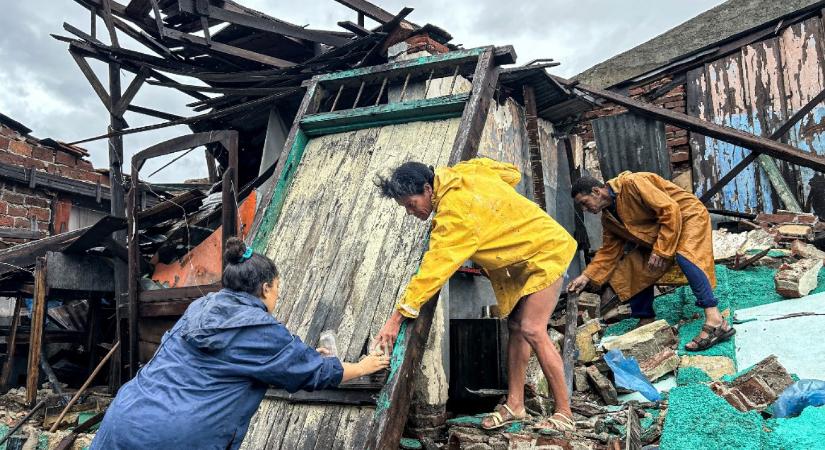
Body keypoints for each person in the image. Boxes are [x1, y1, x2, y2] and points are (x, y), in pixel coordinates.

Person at [91, 238, 389, 450]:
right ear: (266, 287)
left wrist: (304, 358)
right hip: (173, 438)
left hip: (122, 421)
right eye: (277, 290)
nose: (277, 297)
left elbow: (238, 363)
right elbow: (313, 373)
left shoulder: (201, 308)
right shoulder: (259, 328)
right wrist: (363, 366)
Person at [374, 157, 578, 432]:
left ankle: (564, 412)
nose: (412, 212)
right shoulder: (466, 171)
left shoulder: (453, 215)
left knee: (531, 328)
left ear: (427, 189)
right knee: (516, 326)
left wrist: (396, 318)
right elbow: (512, 174)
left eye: (412, 205)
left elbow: (432, 271)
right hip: (531, 254)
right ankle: (515, 405)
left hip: (547, 252)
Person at [567, 172, 733, 351]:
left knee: (687, 257)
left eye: (584, 202)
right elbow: (608, 252)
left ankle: (716, 321)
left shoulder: (633, 183)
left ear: (596, 191)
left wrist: (661, 250)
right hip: (660, 229)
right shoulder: (608, 219)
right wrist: (586, 276)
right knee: (635, 267)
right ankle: (646, 318)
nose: (584, 209)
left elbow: (669, 210)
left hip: (687, 215)